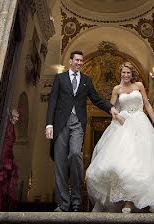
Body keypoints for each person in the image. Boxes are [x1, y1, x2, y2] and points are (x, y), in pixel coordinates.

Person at [86, 61, 154, 213]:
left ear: (132, 74)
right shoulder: (117, 89)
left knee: (142, 161)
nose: (126, 75)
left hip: (140, 123)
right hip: (123, 125)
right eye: (123, 72)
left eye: (128, 73)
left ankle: (136, 201)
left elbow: (147, 106)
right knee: (124, 161)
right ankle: (125, 200)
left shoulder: (139, 86)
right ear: (120, 73)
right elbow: (112, 109)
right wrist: (116, 119)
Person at [45, 50, 120, 212]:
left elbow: (97, 99)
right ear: (70, 61)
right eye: (77, 60)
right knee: (60, 163)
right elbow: (52, 101)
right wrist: (49, 124)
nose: (79, 63)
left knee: (75, 154)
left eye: (81, 61)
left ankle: (76, 199)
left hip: (77, 123)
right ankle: (63, 204)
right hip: (60, 124)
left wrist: (111, 108)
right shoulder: (60, 78)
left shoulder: (87, 80)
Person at [0, 109, 19, 211]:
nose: (17, 119)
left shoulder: (11, 126)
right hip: (4, 155)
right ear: (11, 116)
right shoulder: (7, 127)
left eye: (18, 117)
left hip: (9, 155)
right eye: (15, 116)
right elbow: (7, 142)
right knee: (1, 182)